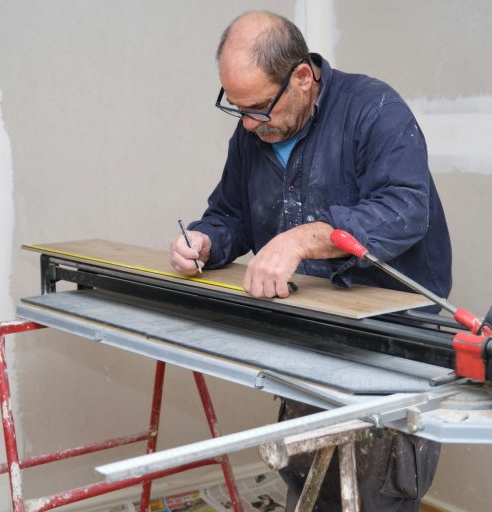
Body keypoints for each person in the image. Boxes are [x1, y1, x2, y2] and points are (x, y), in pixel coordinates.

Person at [170, 10, 451, 512]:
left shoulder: (374, 110)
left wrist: (308, 237)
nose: (251, 125)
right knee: (309, 483)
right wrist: (207, 241)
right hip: (309, 339)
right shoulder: (254, 132)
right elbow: (231, 213)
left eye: (257, 108)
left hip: (391, 345)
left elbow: (407, 209)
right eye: (237, 110)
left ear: (303, 77)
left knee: (374, 494)